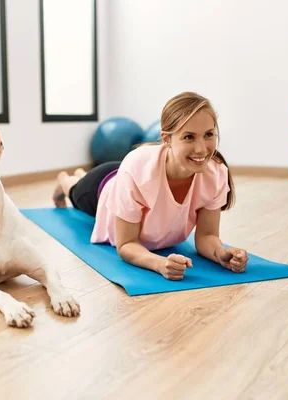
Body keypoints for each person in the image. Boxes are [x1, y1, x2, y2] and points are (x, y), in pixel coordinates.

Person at [52, 91, 248, 280]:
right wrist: (159, 264)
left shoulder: (215, 173)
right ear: (166, 139)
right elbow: (127, 244)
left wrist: (220, 253)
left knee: (89, 178)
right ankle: (65, 180)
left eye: (209, 134)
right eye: (189, 137)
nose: (201, 148)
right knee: (75, 190)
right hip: (103, 185)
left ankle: (79, 175)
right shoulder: (137, 168)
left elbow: (207, 236)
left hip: (131, 176)